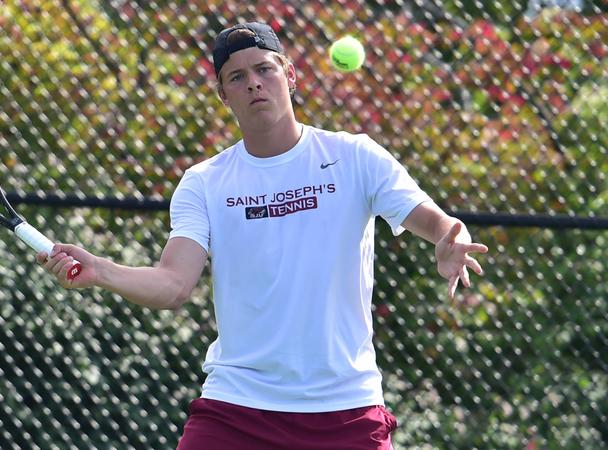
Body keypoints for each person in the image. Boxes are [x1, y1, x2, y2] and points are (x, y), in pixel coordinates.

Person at [38, 22, 489, 450]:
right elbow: (173, 285)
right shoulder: (204, 182)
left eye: (264, 69)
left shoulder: (354, 156)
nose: (253, 83)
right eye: (237, 76)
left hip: (345, 408)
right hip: (237, 408)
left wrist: (448, 238)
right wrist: (100, 270)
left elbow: (434, 222)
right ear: (223, 95)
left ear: (289, 75)